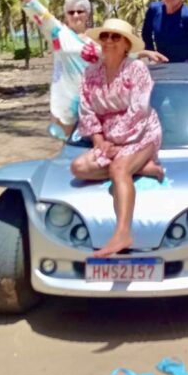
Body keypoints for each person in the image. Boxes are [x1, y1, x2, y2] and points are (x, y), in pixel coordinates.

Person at [2, 0, 165, 136]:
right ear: (66, 15)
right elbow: (38, 10)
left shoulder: (99, 40)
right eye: (71, 12)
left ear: (87, 14)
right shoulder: (58, 33)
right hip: (65, 102)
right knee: (66, 149)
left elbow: (117, 52)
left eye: (80, 11)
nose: (75, 15)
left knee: (95, 148)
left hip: (95, 103)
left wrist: (145, 53)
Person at [72, 19, 163, 258]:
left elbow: (139, 109)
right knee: (78, 167)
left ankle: (122, 233)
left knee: (119, 169)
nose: (109, 41)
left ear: (126, 45)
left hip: (141, 131)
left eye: (115, 37)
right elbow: (86, 109)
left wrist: (115, 140)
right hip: (108, 140)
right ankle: (143, 168)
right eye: (105, 36)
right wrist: (99, 141)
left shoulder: (137, 69)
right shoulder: (90, 73)